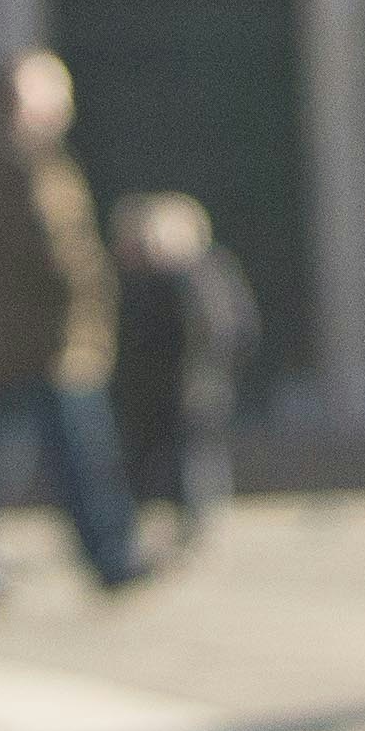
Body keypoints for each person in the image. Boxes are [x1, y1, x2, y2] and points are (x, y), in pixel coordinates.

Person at [0, 52, 142, 608]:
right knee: (81, 461)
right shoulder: (26, 170)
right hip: (50, 345)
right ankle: (111, 557)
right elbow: (59, 258)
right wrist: (93, 295)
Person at [109, 194, 257, 554]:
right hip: (174, 387)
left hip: (190, 386)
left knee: (192, 457)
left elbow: (220, 333)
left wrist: (207, 373)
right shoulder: (155, 279)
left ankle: (194, 523)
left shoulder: (191, 278)